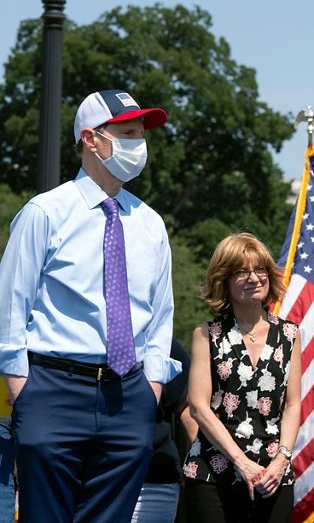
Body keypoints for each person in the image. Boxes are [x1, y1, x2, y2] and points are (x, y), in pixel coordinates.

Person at [0, 89, 180, 522]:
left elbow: (161, 318)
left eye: (141, 134)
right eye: (128, 133)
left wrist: (150, 388)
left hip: (128, 395)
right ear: (92, 139)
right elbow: (10, 309)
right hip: (51, 389)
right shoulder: (44, 213)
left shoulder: (151, 224)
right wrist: (24, 393)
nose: (140, 144)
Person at [183, 233, 301, 523]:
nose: (253, 278)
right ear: (224, 280)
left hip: (273, 474)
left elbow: (293, 405)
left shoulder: (290, 334)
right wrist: (241, 463)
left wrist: (282, 459)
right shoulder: (205, 334)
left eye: (259, 269)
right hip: (213, 472)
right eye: (241, 271)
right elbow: (198, 407)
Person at [133, 339, 193, 522]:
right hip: (86, 476)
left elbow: (188, 408)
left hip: (152, 480)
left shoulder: (159, 340)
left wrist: (195, 462)